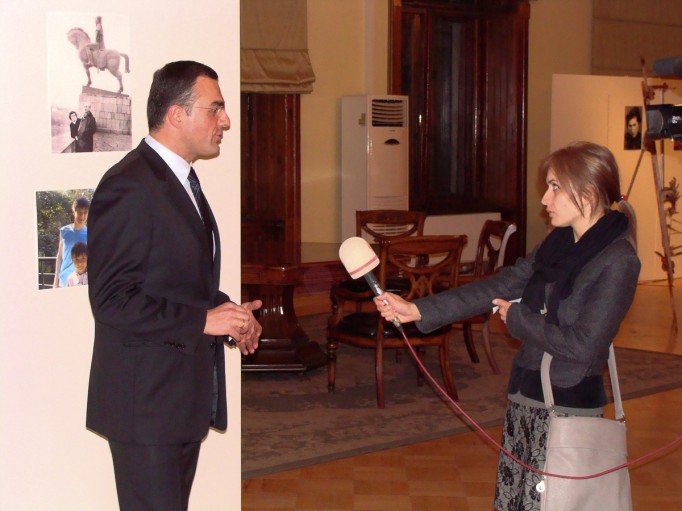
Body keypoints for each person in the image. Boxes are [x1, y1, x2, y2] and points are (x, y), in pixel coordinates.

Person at [373, 141, 641, 511]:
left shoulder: (619, 260)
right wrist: (418, 310)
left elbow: (583, 345)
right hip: (525, 397)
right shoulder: (559, 242)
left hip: (568, 407)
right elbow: (499, 286)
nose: (545, 199)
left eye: (555, 187)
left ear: (588, 192)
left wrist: (520, 320)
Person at [86, 60, 263, 511]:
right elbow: (111, 299)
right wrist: (203, 320)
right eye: (215, 109)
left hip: (178, 400)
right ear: (176, 114)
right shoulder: (129, 185)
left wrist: (230, 315)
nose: (226, 120)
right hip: (145, 406)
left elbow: (177, 281)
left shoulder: (179, 177)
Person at [53, 196, 89, 288]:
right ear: (74, 211)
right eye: (79, 212)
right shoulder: (64, 231)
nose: (82, 216)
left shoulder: (90, 233)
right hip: (64, 280)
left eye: (85, 212)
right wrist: (56, 279)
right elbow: (60, 256)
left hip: (81, 281)